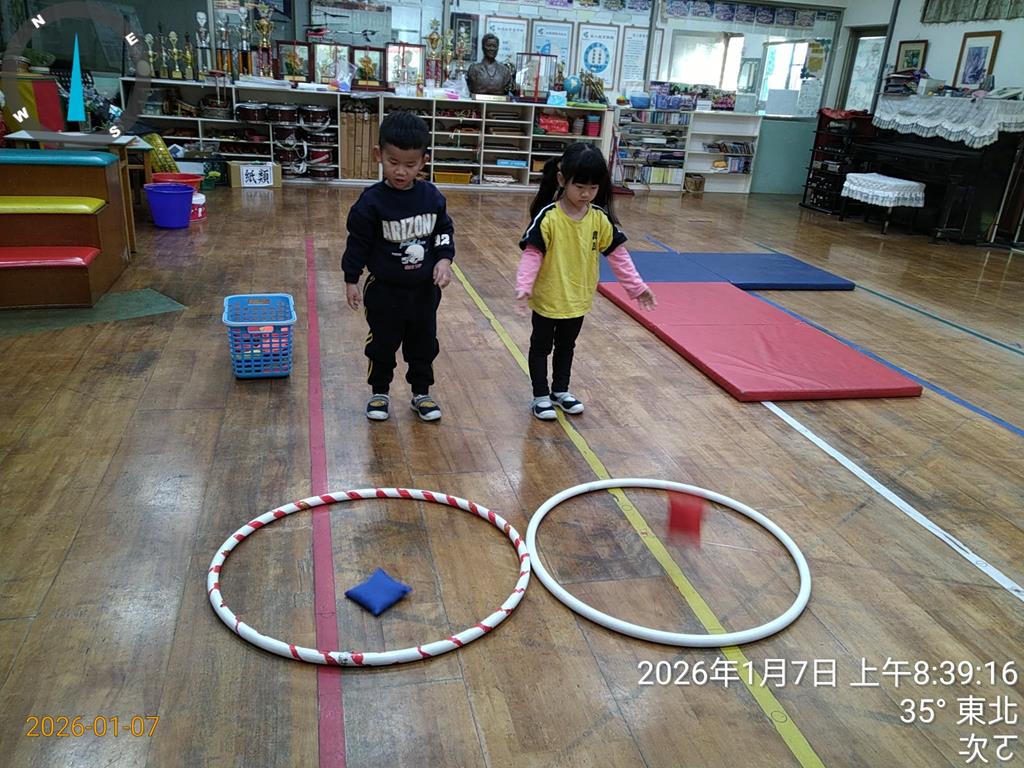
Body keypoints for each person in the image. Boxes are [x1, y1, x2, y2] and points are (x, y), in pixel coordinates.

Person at [516, 142, 656, 420]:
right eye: (579, 186)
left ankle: (560, 391)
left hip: (578, 300)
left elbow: (618, 255)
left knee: (566, 347)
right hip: (548, 299)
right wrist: (524, 286)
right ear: (561, 180)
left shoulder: (599, 219)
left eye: (593, 188)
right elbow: (532, 254)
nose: (586, 194)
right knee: (541, 348)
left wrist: (636, 287)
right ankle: (540, 395)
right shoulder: (548, 218)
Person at [342, 110, 455, 422]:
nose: (401, 171)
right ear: (378, 155)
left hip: (423, 292)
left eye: (410, 164)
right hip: (384, 291)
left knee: (424, 344)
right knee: (382, 344)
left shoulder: (432, 197)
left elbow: (443, 231)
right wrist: (351, 279)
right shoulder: (371, 202)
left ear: (424, 161)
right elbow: (357, 243)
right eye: (393, 162)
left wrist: (444, 260)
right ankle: (379, 392)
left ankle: (421, 393)